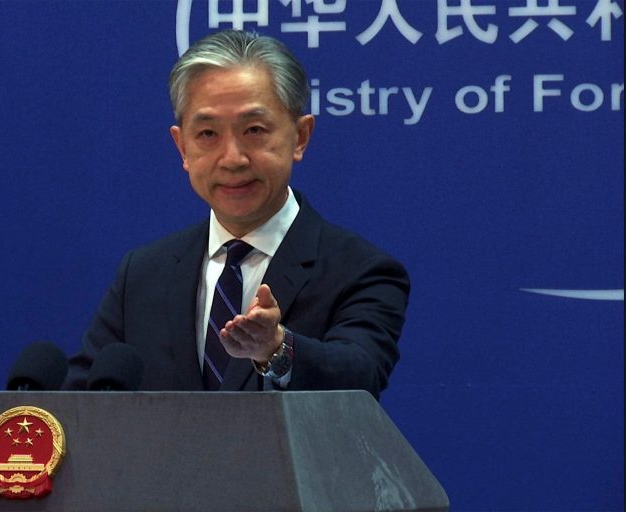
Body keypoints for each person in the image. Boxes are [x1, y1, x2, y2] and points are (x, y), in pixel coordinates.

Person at [63, 29, 409, 398]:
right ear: (182, 147)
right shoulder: (143, 274)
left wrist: (277, 349)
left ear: (300, 136)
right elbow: (81, 399)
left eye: (254, 130)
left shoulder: (360, 269)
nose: (232, 158)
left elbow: (360, 375)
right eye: (208, 134)